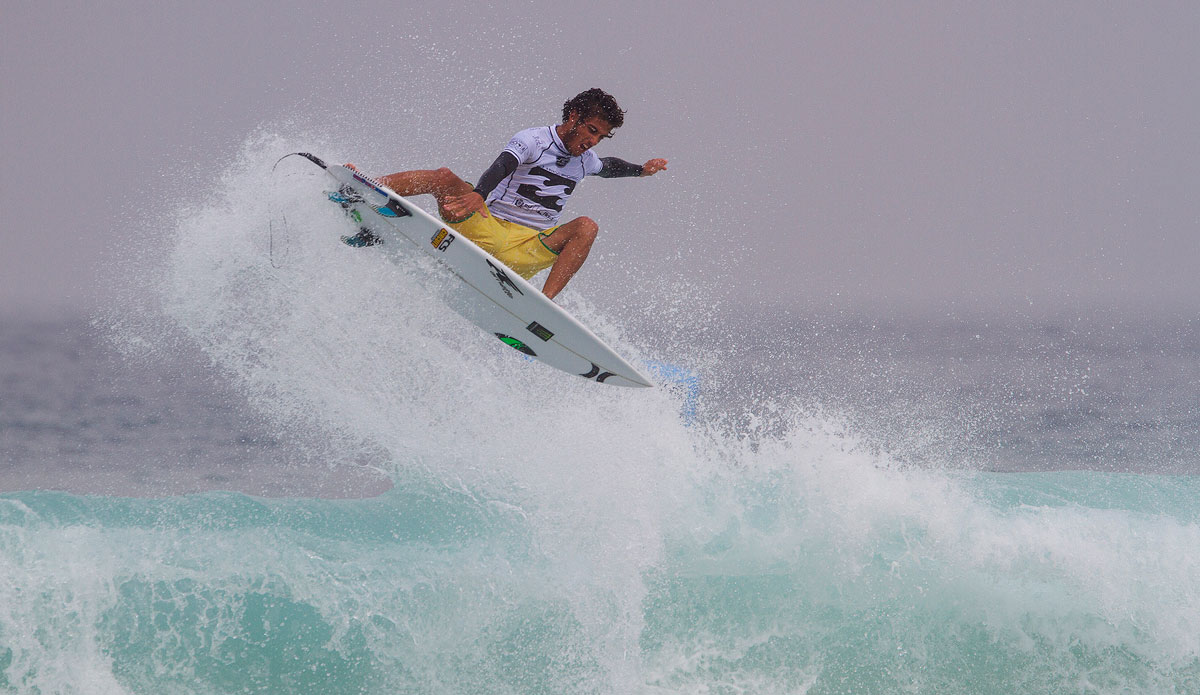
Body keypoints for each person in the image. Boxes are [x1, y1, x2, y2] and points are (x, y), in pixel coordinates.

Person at [345, 88, 667, 300]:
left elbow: (609, 166)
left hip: (525, 251)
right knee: (443, 178)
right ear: (574, 118)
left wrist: (641, 169)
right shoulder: (533, 140)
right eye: (591, 131)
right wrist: (479, 193)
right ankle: (362, 185)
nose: (594, 141)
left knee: (587, 226)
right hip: (488, 229)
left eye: (601, 137)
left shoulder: (586, 160)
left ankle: (543, 305)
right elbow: (504, 163)